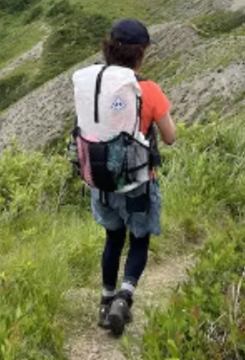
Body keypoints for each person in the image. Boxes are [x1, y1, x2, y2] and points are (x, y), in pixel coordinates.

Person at [91, 19, 176, 334]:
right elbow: (169, 137)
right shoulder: (149, 90)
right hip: (139, 180)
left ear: (109, 49)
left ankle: (105, 301)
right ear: (141, 55)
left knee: (113, 238)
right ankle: (124, 298)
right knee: (138, 239)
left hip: (103, 179)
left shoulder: (96, 85)